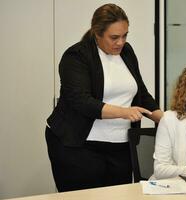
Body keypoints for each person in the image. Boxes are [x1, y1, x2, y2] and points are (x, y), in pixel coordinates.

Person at [45, 3, 163, 192]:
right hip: (78, 145)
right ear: (97, 33)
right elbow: (82, 101)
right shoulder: (77, 56)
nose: (121, 42)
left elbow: (140, 93)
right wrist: (124, 112)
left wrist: (166, 120)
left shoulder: (126, 52)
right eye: (114, 37)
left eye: (125, 35)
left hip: (120, 145)